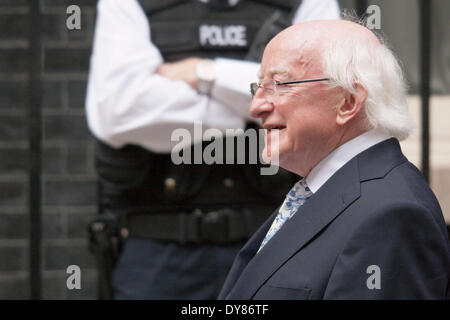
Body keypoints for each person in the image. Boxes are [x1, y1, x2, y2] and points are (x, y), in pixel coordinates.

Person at [86, 0, 340, 299]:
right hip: (159, 251)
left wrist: (206, 74)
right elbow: (119, 112)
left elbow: (321, 99)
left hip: (274, 244)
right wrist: (262, 105)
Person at [218, 19, 450, 300]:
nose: (257, 106)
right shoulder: (324, 189)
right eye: (259, 87)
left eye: (279, 85)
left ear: (348, 102)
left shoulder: (389, 214)